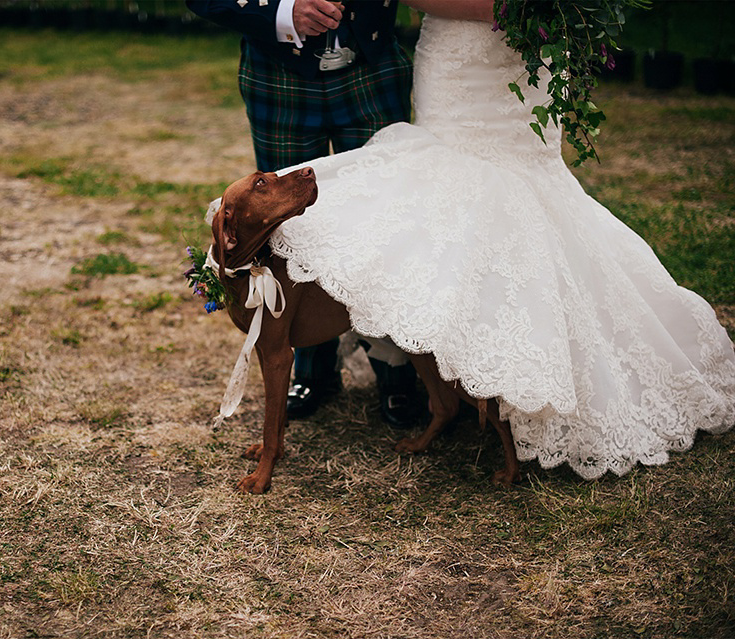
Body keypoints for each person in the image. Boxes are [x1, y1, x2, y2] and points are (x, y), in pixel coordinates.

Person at [264, 0, 735, 479]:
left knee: (534, 194)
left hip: (534, 58)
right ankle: (465, 364)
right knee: (451, 201)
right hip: (460, 61)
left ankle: (533, 373)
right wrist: (512, 7)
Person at [186, 0, 422, 427]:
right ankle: (312, 371)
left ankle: (398, 370)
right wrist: (282, 11)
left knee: (386, 218)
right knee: (287, 230)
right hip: (279, 76)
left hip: (373, 66)